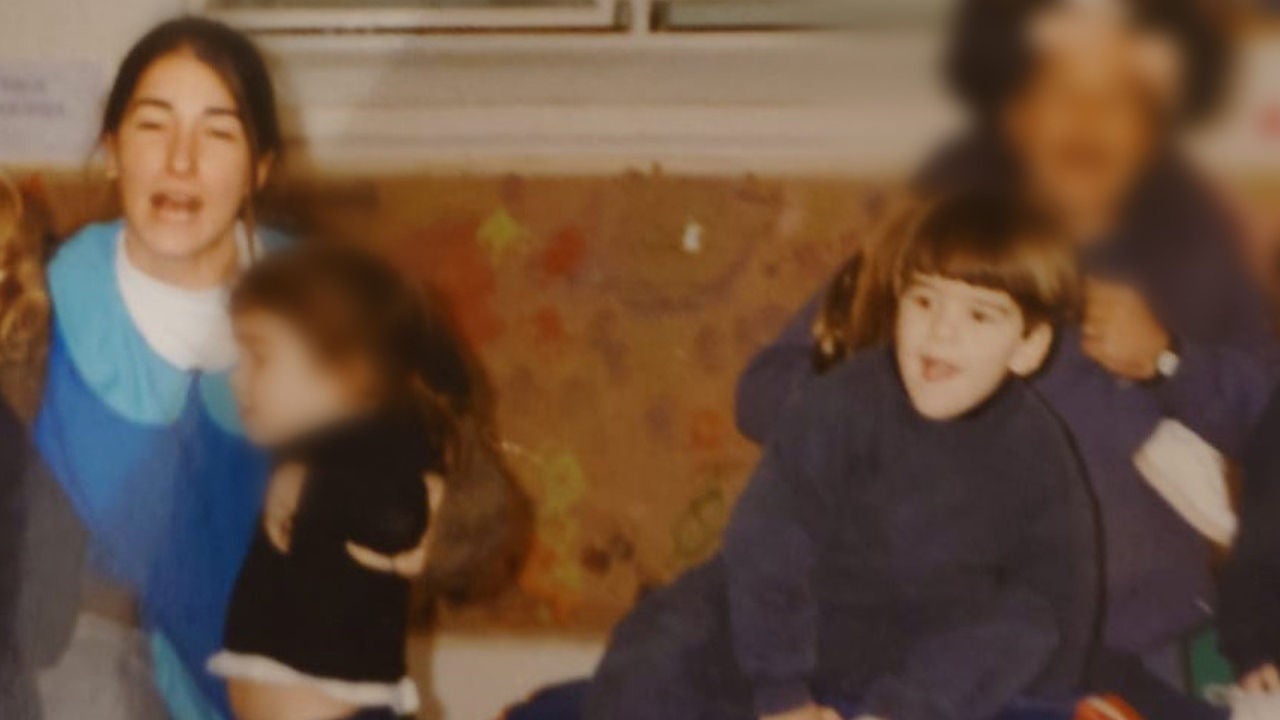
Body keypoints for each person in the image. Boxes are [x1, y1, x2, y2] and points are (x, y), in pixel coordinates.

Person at [737, 0, 1278, 675]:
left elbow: (1268, 418)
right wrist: (891, 382)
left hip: (1131, 641)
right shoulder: (942, 252)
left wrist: (1168, 359)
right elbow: (760, 395)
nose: (1083, 124)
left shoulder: (1190, 260)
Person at [587, 193, 1102, 720]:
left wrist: (1053, 702)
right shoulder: (842, 401)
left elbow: (1065, 589)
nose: (942, 331)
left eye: (978, 315)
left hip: (921, 645)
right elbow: (768, 540)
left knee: (1023, 624)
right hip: (798, 622)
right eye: (924, 302)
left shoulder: (1037, 448)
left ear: (1028, 347)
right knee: (662, 633)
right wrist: (782, 694)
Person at [32, 17, 287, 719]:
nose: (181, 162)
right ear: (112, 150)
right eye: (153, 126)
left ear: (260, 166)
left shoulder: (328, 314)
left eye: (218, 132)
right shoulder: (36, 311)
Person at [206, 244, 471, 720]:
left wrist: (307, 488)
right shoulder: (311, 447)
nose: (236, 378)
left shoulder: (380, 433)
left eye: (259, 358)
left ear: (344, 370)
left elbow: (400, 519)